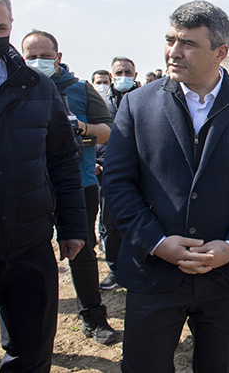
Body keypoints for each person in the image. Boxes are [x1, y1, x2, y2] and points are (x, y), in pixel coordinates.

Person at [102, 0, 229, 373]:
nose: (173, 51)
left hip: (226, 278)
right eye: (170, 39)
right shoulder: (137, 105)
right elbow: (118, 183)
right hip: (153, 273)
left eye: (187, 43)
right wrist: (157, 243)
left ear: (220, 52)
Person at [0, 0, 88, 372]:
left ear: (11, 26)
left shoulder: (37, 87)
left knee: (32, 355)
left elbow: (62, 159)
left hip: (29, 249)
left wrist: (74, 226)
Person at [21, 30, 117, 345]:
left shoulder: (79, 89)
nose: (38, 62)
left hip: (79, 184)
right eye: (32, 56)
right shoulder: (14, 89)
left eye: (45, 56)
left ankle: (93, 317)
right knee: (27, 255)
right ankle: (30, 329)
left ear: (58, 58)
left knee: (82, 251)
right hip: (28, 187)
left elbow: (108, 131)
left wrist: (80, 127)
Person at [96, 56, 142, 290]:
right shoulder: (101, 101)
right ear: (112, 75)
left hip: (143, 172)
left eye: (127, 72)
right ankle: (115, 270)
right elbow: (99, 136)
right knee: (111, 223)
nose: (123, 76)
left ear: (135, 75)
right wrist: (100, 162)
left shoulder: (146, 98)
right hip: (110, 171)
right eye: (119, 72)